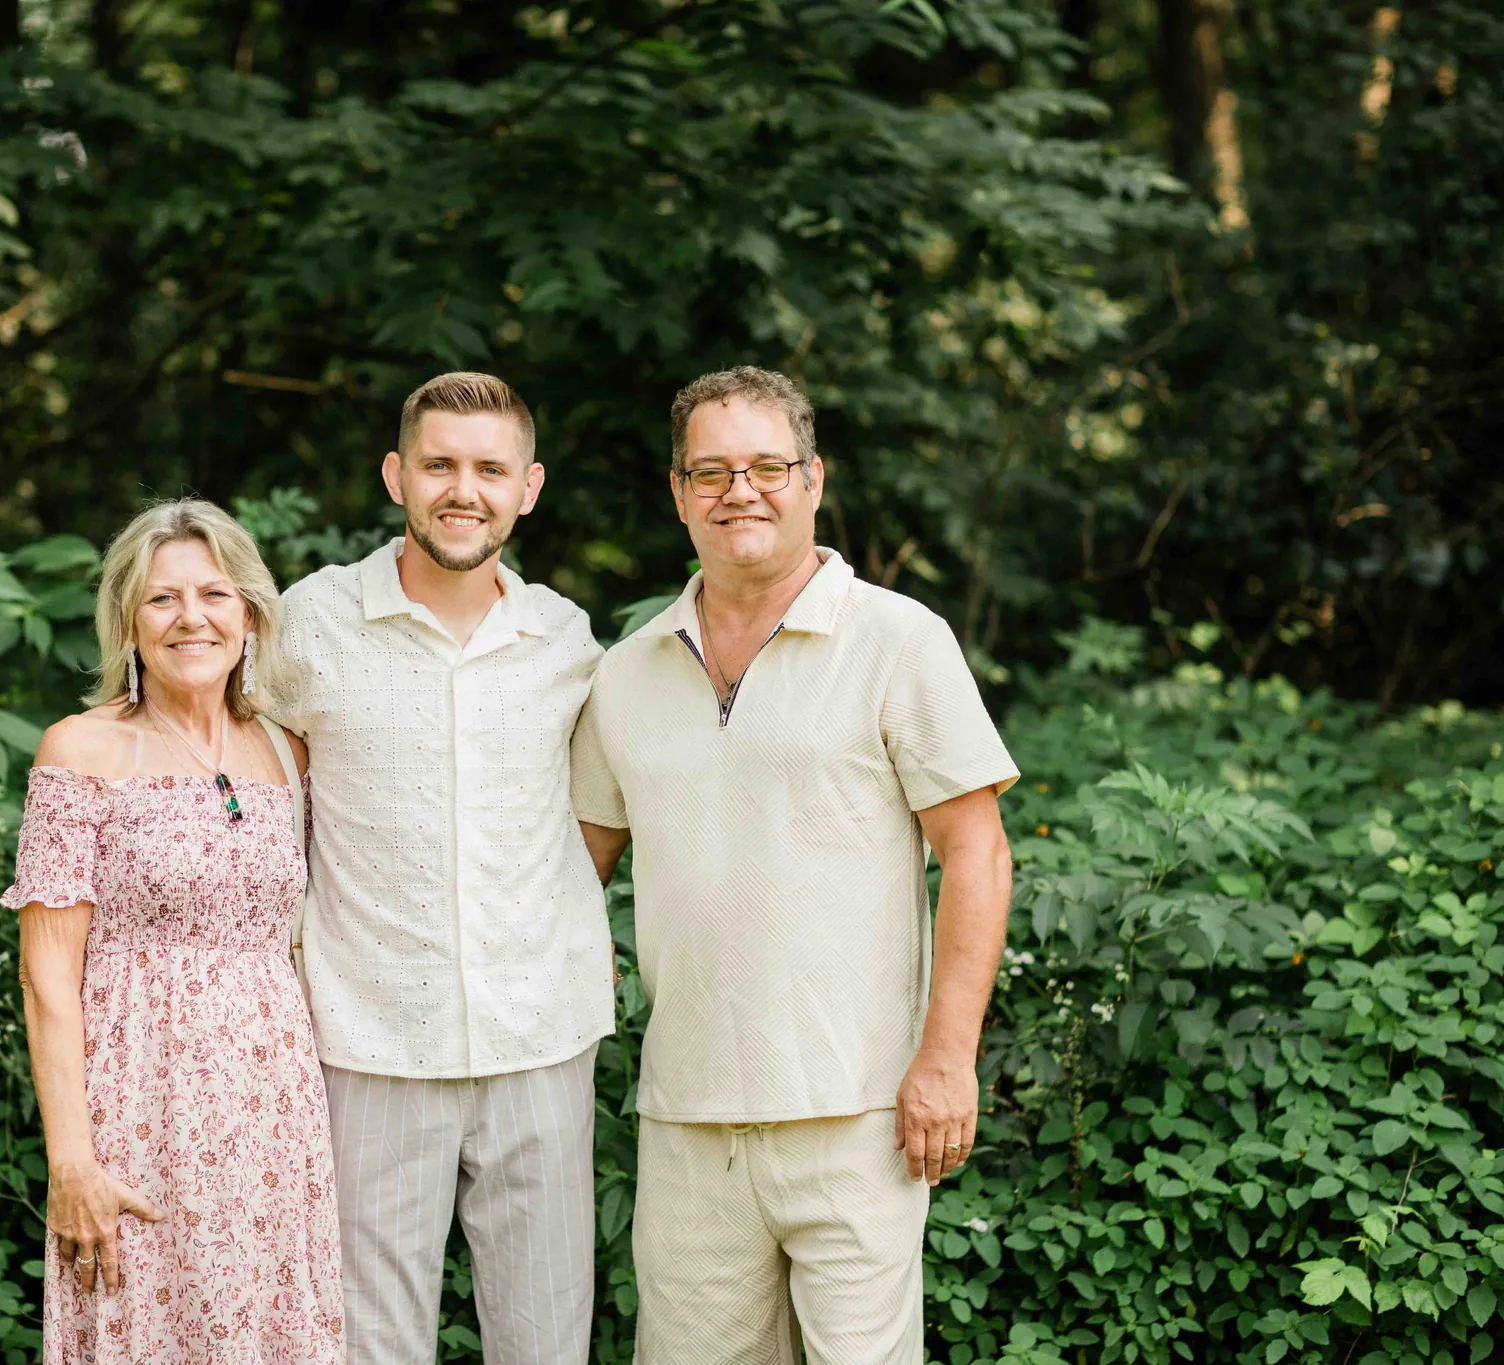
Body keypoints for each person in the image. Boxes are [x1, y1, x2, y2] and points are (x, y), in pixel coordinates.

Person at [572, 367, 1018, 1365]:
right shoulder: (625, 670)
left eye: (767, 466)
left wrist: (945, 1060)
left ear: (812, 479)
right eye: (712, 471)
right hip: (685, 1117)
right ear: (676, 492)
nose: (741, 491)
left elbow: (976, 853)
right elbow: (569, 870)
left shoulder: (899, 640)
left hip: (858, 1113)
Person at [259, 372, 613, 1365]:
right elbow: (252, 799)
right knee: (369, 1342)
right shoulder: (309, 624)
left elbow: (596, 812)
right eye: (440, 465)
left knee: (545, 1339)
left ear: (528, 486)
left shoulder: (565, 639)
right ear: (395, 475)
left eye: (489, 469)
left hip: (541, 1034)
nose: (465, 489)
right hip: (366, 1038)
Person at [3, 498, 343, 1364]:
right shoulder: (79, 750)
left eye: (214, 594)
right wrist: (71, 1159)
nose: (192, 617)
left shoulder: (285, 750)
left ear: (250, 614)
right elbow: (47, 975)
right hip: (137, 1104)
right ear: (127, 620)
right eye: (163, 599)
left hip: (272, 1112)